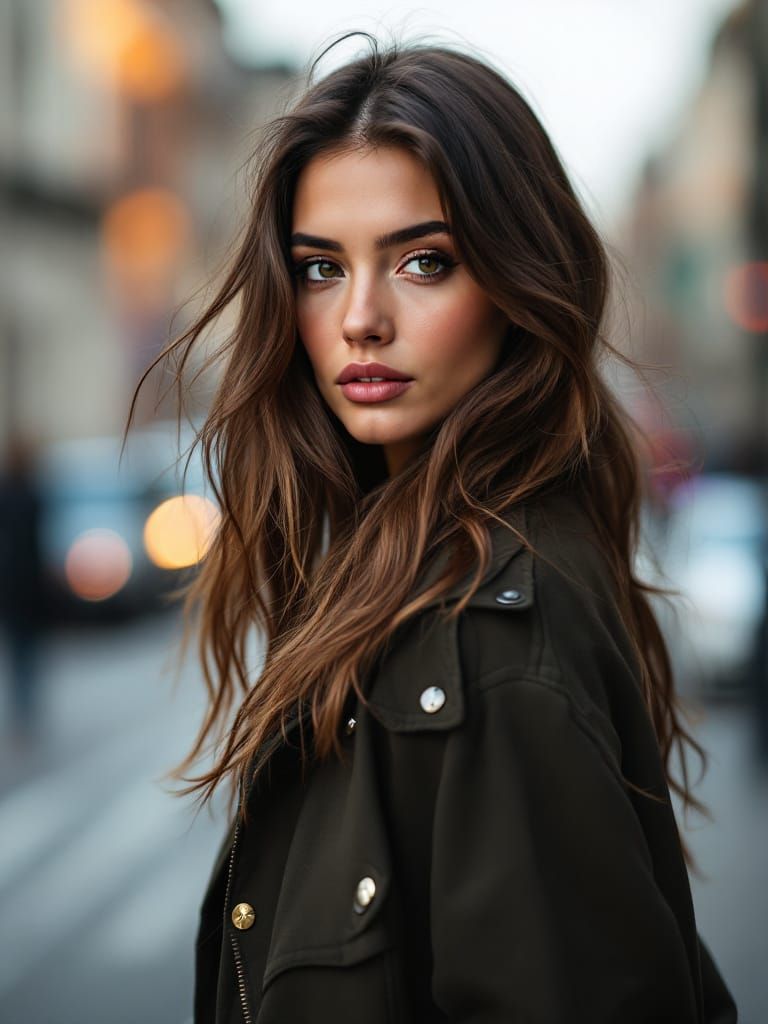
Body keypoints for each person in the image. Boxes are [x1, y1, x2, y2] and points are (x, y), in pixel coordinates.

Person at [127, 34, 738, 1023]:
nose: (361, 317)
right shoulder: (387, 578)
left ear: (515, 280)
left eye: (423, 261)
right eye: (321, 268)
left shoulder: (491, 646)